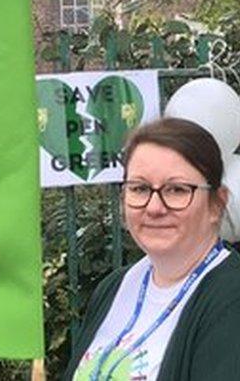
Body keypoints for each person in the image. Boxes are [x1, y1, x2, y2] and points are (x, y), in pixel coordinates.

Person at [66, 117, 240, 380]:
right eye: (140, 188)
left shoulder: (230, 300)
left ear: (217, 203)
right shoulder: (114, 287)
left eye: (177, 190)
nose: (154, 207)